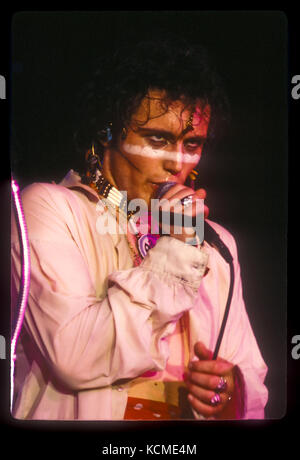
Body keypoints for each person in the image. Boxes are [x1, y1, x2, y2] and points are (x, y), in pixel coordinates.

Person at [11, 36, 268, 420]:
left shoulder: (214, 243)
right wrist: (178, 247)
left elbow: (247, 375)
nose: (176, 163)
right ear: (108, 132)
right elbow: (75, 355)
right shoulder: (49, 207)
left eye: (192, 143)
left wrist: (230, 394)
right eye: (158, 138)